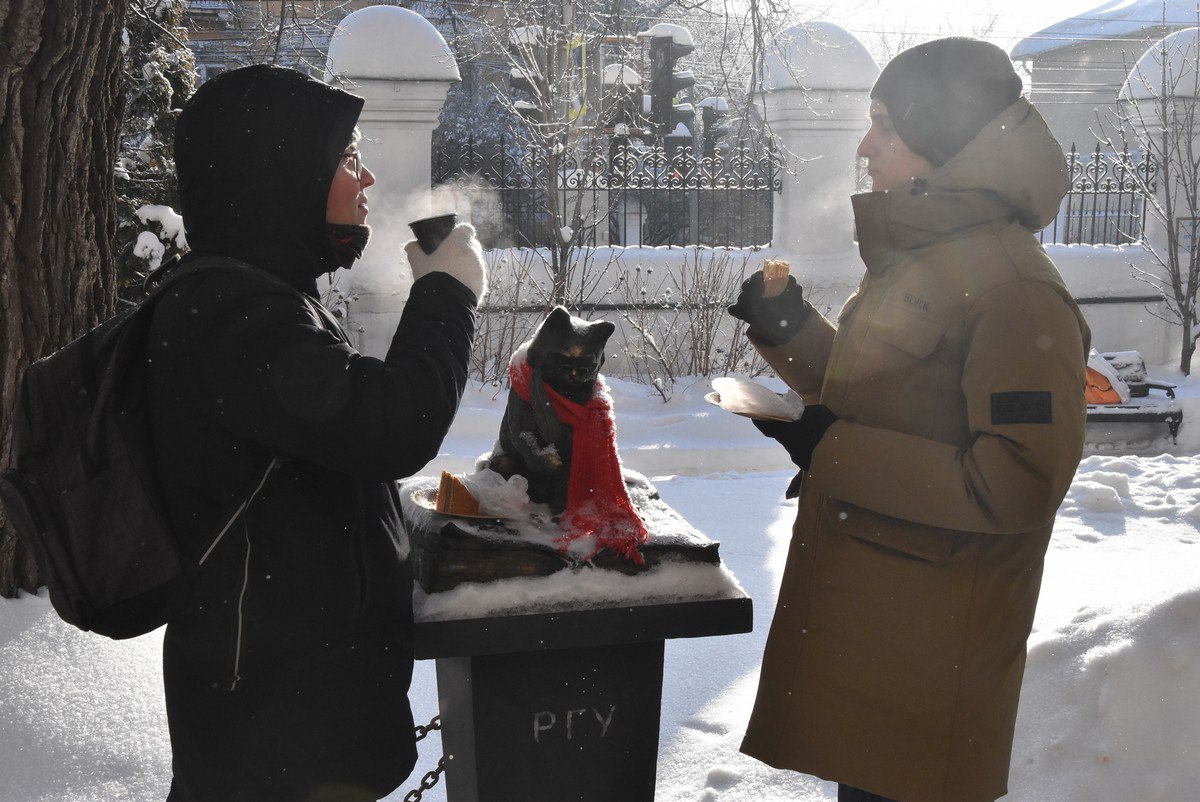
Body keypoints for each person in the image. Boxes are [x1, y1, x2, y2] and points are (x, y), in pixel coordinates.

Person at [729, 38, 1090, 802]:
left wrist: (835, 449)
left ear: (942, 136)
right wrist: (789, 327)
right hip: (881, 643)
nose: (866, 146)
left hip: (931, 673)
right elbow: (881, 390)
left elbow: (1016, 482)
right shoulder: (926, 260)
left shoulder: (1015, 289)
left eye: (885, 125)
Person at [146, 65, 486, 801]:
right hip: (280, 728)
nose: (364, 180)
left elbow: (330, 449)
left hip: (286, 709)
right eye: (346, 159)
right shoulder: (237, 316)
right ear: (281, 175)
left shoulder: (250, 298)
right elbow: (391, 425)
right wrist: (449, 294)